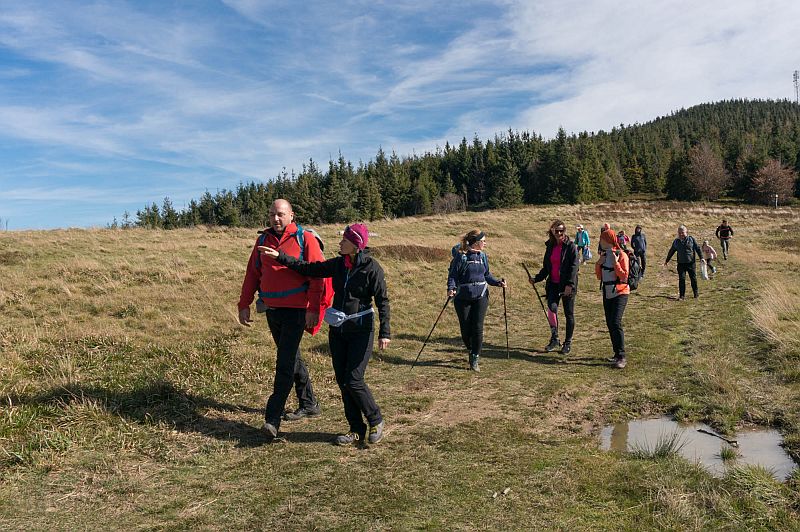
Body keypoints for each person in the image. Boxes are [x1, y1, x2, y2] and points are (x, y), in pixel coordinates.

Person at [259, 223, 390, 447]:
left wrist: (384, 333)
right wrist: (280, 256)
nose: (340, 243)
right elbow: (308, 268)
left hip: (361, 330)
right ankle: (356, 430)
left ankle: (375, 420)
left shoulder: (372, 268)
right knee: (343, 382)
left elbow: (383, 301)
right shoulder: (338, 265)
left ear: (356, 245)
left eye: (345, 240)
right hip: (338, 330)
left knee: (353, 379)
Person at [238, 199, 326, 441]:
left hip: (297, 311)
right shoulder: (262, 241)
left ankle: (272, 419)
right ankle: (309, 403)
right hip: (272, 310)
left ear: (291, 215)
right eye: (272, 215)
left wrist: (314, 308)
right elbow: (252, 274)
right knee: (291, 355)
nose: (275, 219)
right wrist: (244, 303)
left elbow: (317, 275)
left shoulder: (304, 239)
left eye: (280, 214)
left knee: (284, 362)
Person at [447, 229, 507, 372]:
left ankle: (475, 357)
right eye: (483, 241)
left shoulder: (483, 256)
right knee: (466, 329)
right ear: (476, 242)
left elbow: (487, 275)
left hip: (481, 295)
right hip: (462, 297)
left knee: (478, 327)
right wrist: (451, 288)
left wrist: (498, 282)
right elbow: (453, 275)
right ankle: (471, 348)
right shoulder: (461, 257)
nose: (485, 243)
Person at [530, 220, 579, 354]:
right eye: (556, 231)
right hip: (553, 284)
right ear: (552, 231)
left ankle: (567, 343)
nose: (558, 233)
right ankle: (555, 338)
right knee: (552, 309)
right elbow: (547, 267)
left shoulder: (571, 246)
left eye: (561, 230)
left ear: (565, 231)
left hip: (567, 285)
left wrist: (570, 284)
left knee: (569, 314)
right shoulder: (550, 246)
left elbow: (574, 267)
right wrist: (537, 278)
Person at [595, 227, 630, 369]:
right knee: (610, 323)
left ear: (608, 240)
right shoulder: (604, 254)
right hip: (607, 292)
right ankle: (616, 354)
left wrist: (615, 262)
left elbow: (624, 276)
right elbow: (599, 276)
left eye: (602, 239)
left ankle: (622, 356)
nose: (600, 242)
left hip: (620, 292)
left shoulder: (621, 255)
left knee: (615, 322)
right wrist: (599, 263)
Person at [664, 225, 705, 300]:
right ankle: (682, 296)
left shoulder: (691, 239)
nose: (681, 234)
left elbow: (698, 249)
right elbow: (672, 251)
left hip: (691, 263)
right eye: (679, 233)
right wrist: (667, 260)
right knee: (681, 279)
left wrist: (701, 258)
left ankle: (696, 294)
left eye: (682, 232)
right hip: (681, 264)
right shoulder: (676, 241)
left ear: (686, 232)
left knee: (693, 279)